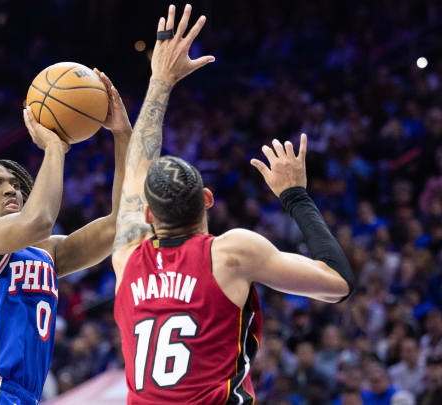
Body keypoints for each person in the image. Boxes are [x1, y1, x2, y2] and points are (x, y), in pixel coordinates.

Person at [111, 4, 355, 404]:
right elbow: (338, 284)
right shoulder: (231, 253)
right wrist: (296, 196)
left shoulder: (126, 258)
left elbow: (136, 174)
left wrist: (159, 82)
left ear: (149, 216)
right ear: (207, 200)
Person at [0, 74, 131, 405]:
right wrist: (55, 146)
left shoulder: (45, 253)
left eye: (15, 183)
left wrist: (123, 135)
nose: (12, 188)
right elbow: (38, 221)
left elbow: (120, 224)